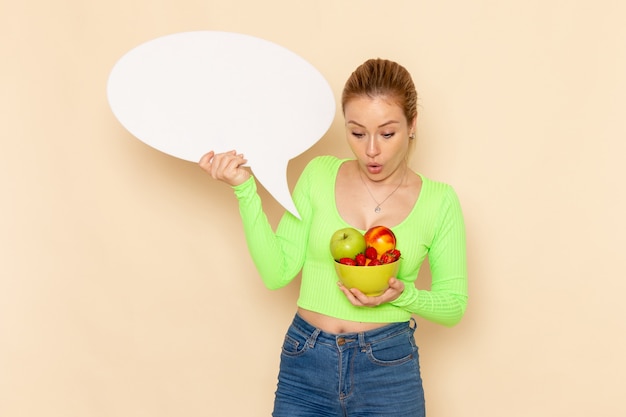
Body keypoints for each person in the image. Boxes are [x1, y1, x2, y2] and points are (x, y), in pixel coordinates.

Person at [199, 58, 468, 417]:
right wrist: (245, 190)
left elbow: (454, 305)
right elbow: (276, 272)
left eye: (387, 133)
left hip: (388, 368)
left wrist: (406, 294)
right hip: (305, 361)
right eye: (357, 133)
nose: (372, 149)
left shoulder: (439, 200)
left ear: (412, 124)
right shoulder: (319, 174)